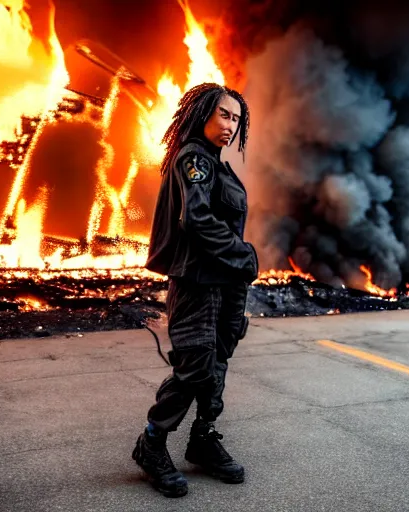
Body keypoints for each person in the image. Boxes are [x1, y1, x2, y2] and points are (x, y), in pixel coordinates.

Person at [132, 83, 258, 497]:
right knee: (196, 365)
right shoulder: (193, 159)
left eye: (237, 118)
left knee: (217, 362)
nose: (230, 124)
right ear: (202, 112)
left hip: (226, 285)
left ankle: (203, 439)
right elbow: (197, 220)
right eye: (224, 114)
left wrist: (238, 265)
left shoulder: (220, 166)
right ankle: (151, 444)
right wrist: (243, 254)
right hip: (197, 282)